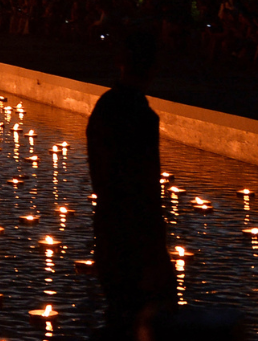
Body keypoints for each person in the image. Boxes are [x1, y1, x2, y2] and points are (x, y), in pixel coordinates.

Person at [86, 28, 176, 340]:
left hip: (110, 223)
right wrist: (155, 246)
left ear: (120, 62)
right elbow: (145, 183)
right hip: (136, 232)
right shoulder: (141, 114)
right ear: (152, 68)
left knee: (118, 311)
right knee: (146, 315)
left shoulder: (105, 106)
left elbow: (101, 170)